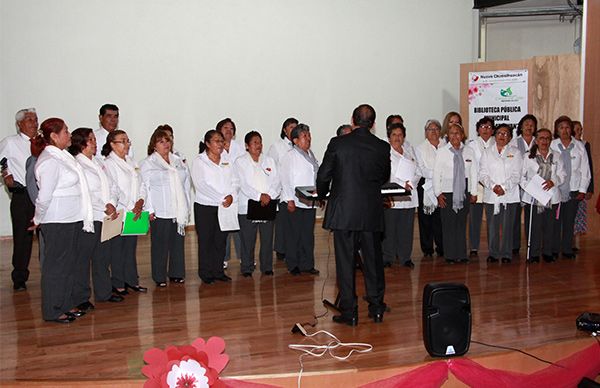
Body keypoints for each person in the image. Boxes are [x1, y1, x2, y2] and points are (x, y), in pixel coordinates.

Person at [317, 104, 390, 326]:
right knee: (373, 261)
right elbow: (383, 177)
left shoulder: (338, 143)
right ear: (374, 124)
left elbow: (323, 175)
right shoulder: (381, 146)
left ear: (352, 120)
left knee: (346, 262)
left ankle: (350, 312)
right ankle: (376, 308)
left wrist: (322, 194)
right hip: (370, 210)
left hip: (344, 211)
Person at [32, 118, 94, 323]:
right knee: (56, 267)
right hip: (57, 220)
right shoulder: (49, 161)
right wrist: (38, 219)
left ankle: (66, 303)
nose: (69, 135)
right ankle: (53, 309)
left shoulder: (63, 157)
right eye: (66, 132)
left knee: (68, 265)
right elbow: (44, 196)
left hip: (72, 219)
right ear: (54, 136)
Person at [68, 128, 123, 306]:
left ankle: (104, 292)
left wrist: (112, 203)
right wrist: (104, 205)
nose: (94, 142)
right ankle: (81, 297)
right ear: (81, 143)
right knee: (83, 259)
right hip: (89, 218)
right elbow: (85, 192)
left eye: (93, 139)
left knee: (102, 256)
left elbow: (112, 185)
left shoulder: (99, 162)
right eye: (91, 139)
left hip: (106, 216)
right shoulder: (77, 164)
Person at [140, 129, 190, 287]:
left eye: (167, 140)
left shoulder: (178, 160)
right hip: (160, 210)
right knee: (160, 245)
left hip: (178, 209)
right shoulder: (149, 163)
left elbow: (186, 185)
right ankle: (159, 276)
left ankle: (176, 273)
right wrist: (149, 209)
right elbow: (145, 187)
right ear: (154, 145)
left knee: (177, 243)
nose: (166, 144)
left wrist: (187, 205)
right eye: (161, 141)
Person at [101, 130, 147, 294]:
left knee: (130, 248)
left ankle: (132, 280)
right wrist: (130, 206)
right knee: (117, 249)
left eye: (128, 140)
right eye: (123, 141)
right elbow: (113, 188)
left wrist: (140, 202)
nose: (127, 144)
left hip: (135, 212)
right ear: (112, 144)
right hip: (120, 211)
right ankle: (118, 282)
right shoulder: (109, 164)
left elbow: (142, 184)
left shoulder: (132, 161)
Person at [191, 130, 238, 284]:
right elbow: (201, 184)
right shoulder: (200, 161)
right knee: (206, 241)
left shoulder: (227, 158)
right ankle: (206, 273)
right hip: (206, 207)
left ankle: (218, 271)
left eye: (221, 141)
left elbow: (235, 180)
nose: (220, 144)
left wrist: (231, 195)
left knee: (220, 240)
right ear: (207, 143)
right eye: (217, 141)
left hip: (224, 206)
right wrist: (221, 198)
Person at [0, 108, 38, 291]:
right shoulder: (10, 142)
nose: (34, 123)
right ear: (19, 124)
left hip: (41, 195)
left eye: (36, 119)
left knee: (47, 237)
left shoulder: (42, 142)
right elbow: (1, 162)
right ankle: (20, 277)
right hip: (22, 195)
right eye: (29, 119)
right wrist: (5, 174)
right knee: (23, 237)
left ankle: (51, 273)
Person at [234, 131, 280, 277]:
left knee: (267, 238)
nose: (258, 145)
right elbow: (243, 184)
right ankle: (247, 267)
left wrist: (269, 196)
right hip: (248, 204)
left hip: (267, 204)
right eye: (254, 142)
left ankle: (266, 266)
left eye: (259, 142)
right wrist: (259, 196)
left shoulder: (269, 161)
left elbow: (277, 181)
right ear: (247, 146)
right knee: (248, 239)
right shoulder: (240, 162)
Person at [433, 123, 478, 264]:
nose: (455, 136)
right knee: (449, 225)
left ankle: (462, 254)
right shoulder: (442, 152)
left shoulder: (469, 151)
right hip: (447, 192)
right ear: (447, 136)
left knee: (461, 224)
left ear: (462, 135)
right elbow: (436, 174)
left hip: (464, 192)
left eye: (457, 133)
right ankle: (450, 255)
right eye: (451, 133)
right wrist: (438, 193)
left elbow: (473, 173)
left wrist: (474, 192)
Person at [280, 124, 320, 276]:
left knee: (307, 235)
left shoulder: (310, 154)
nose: (308, 139)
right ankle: (293, 264)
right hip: (295, 202)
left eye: (309, 135)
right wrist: (289, 199)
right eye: (304, 136)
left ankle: (307, 264)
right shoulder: (290, 156)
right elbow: (285, 179)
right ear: (295, 140)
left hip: (310, 201)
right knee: (294, 235)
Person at [479, 124, 523, 263]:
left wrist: (504, 187)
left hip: (509, 195)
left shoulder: (515, 153)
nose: (502, 136)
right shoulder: (487, 152)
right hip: (491, 195)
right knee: (492, 226)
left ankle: (506, 254)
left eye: (505, 134)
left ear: (510, 137)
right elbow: (482, 174)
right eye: (499, 133)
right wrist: (493, 186)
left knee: (507, 226)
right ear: (495, 135)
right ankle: (493, 253)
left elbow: (517, 174)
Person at [521, 128, 565, 263]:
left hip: (552, 197)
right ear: (536, 140)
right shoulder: (528, 156)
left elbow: (562, 175)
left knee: (549, 226)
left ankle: (547, 252)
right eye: (541, 138)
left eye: (547, 138)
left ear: (551, 140)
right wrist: (532, 188)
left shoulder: (557, 156)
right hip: (533, 198)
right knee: (534, 227)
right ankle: (533, 253)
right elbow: (522, 177)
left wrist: (553, 181)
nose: (544, 141)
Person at [550, 116, 591, 259]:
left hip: (574, 190)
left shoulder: (579, 146)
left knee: (569, 221)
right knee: (555, 222)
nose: (565, 130)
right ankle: (553, 249)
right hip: (556, 189)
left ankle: (567, 249)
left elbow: (585, 170)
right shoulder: (552, 145)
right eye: (561, 127)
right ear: (557, 130)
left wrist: (582, 190)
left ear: (571, 129)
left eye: (567, 127)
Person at [382, 123, 420, 269]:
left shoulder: (409, 152)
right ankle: (388, 257)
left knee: (407, 229)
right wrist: (400, 184)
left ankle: (405, 257)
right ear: (389, 137)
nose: (397, 138)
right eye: (394, 135)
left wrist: (411, 183)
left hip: (409, 196)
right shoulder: (386, 153)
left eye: (400, 135)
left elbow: (418, 171)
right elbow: (386, 175)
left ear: (404, 137)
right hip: (393, 196)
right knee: (390, 229)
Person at [267, 118, 298, 261]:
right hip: (281, 191)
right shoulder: (277, 146)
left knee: (293, 224)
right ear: (284, 130)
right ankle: (281, 250)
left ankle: (292, 248)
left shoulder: (299, 145)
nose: (294, 129)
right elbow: (269, 168)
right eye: (291, 127)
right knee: (282, 223)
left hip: (297, 192)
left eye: (296, 127)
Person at [216, 118, 244, 269]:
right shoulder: (214, 148)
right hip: (222, 194)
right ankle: (224, 257)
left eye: (231, 128)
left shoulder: (239, 148)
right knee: (224, 227)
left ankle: (242, 256)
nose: (228, 130)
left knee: (239, 227)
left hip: (237, 192)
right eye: (225, 128)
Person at [415, 119, 445, 258]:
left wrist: (441, 174)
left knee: (441, 219)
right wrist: (438, 173)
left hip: (445, 186)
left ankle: (442, 247)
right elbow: (421, 169)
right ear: (425, 133)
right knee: (426, 219)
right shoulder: (420, 148)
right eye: (430, 129)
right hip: (426, 186)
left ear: (440, 131)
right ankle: (427, 249)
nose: (433, 132)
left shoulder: (446, 146)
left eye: (436, 129)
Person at [509, 114, 537, 255]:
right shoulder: (513, 143)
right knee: (514, 218)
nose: (529, 127)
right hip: (516, 185)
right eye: (526, 124)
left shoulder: (538, 142)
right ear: (521, 126)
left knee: (530, 217)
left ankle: (531, 245)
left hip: (533, 186)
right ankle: (514, 245)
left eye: (532, 124)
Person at [467, 116, 495, 257]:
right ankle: (473, 246)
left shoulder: (497, 144)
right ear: (478, 129)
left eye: (489, 127)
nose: (486, 129)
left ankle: (493, 246)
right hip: (476, 186)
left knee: (492, 219)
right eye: (483, 127)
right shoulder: (471, 145)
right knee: (475, 219)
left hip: (492, 186)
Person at [573, 120, 593, 248]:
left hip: (581, 186)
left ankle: (575, 243)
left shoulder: (584, 145)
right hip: (566, 187)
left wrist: (589, 188)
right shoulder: (558, 145)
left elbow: (589, 167)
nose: (579, 132)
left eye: (580, 129)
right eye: (576, 129)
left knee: (578, 215)